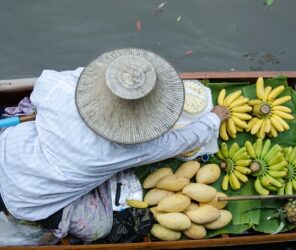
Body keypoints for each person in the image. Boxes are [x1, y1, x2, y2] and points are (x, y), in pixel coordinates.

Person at [0, 48, 229, 242]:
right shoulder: (128, 148)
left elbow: (48, 85)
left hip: (8, 148)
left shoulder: (57, 86)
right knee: (99, 227)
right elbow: (179, 141)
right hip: (26, 198)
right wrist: (214, 118)